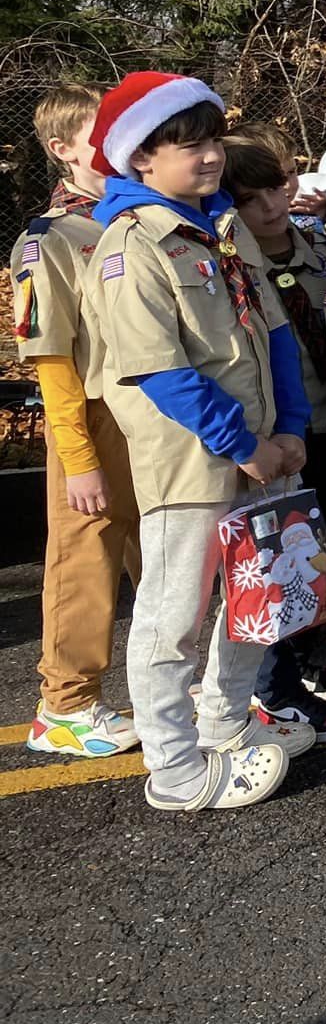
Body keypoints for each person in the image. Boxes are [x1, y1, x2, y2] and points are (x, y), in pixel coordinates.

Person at [85, 73, 312, 810]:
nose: (211, 157)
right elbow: (159, 370)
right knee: (174, 618)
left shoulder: (219, 224)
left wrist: (290, 429)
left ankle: (224, 725)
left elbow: (273, 329)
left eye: (212, 140)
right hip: (194, 461)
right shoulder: (130, 246)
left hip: (262, 449)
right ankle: (176, 768)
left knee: (258, 599)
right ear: (140, 159)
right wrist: (244, 443)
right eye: (189, 146)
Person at [221, 128, 326, 743]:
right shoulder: (229, 269)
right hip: (283, 439)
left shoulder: (324, 251)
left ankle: (304, 662)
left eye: (280, 186)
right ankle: (275, 693)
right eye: (252, 198)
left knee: (321, 555)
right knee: (279, 563)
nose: (274, 206)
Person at [10, 84, 144, 759]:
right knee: (84, 558)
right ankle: (65, 704)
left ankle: (168, 683)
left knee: (161, 556)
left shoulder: (134, 220)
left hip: (150, 417)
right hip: (92, 418)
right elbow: (51, 357)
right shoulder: (52, 239)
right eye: (103, 131)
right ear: (62, 150)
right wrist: (79, 458)